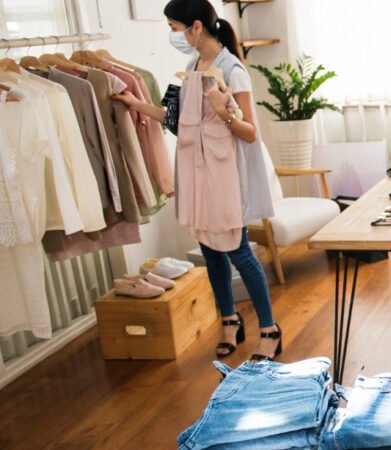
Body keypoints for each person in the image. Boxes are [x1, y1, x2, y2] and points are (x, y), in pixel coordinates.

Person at [114, 0, 281, 361]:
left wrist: (223, 113)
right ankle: (229, 320)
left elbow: (250, 132)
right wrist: (136, 104)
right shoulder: (192, 67)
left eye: (174, 28)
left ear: (196, 27)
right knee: (209, 250)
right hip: (197, 175)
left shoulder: (232, 70)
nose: (173, 36)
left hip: (225, 178)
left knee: (238, 251)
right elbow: (177, 120)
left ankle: (270, 329)